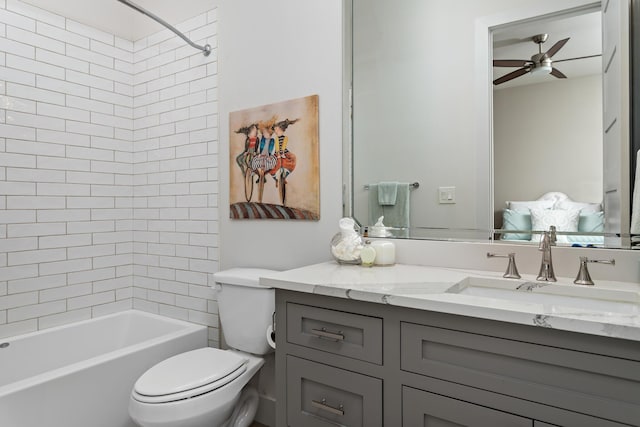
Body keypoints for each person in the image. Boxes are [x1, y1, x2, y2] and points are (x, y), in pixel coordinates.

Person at [269, 118, 299, 186]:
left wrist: (282, 152)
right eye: (275, 130)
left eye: (277, 130)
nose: (276, 131)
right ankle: (276, 180)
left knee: (292, 158)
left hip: (284, 152)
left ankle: (284, 177)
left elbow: (284, 145)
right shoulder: (276, 139)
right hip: (278, 153)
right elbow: (277, 147)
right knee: (271, 164)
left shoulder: (285, 138)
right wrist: (278, 153)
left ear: (281, 130)